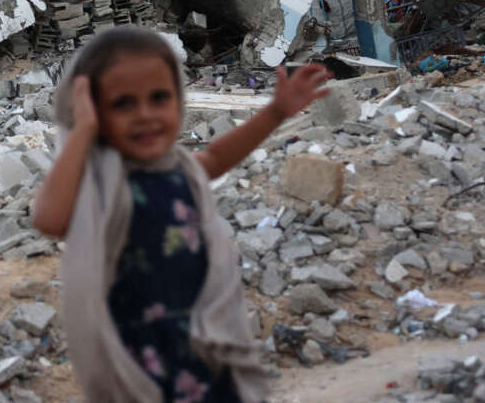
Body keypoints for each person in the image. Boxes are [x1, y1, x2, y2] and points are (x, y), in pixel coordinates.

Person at [33, 26, 332, 402]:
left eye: (160, 98)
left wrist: (274, 112)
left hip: (205, 343)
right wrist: (83, 130)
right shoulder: (104, 187)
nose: (145, 114)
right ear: (94, 112)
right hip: (140, 359)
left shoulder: (178, 171)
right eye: (122, 104)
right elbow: (49, 219)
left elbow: (217, 157)